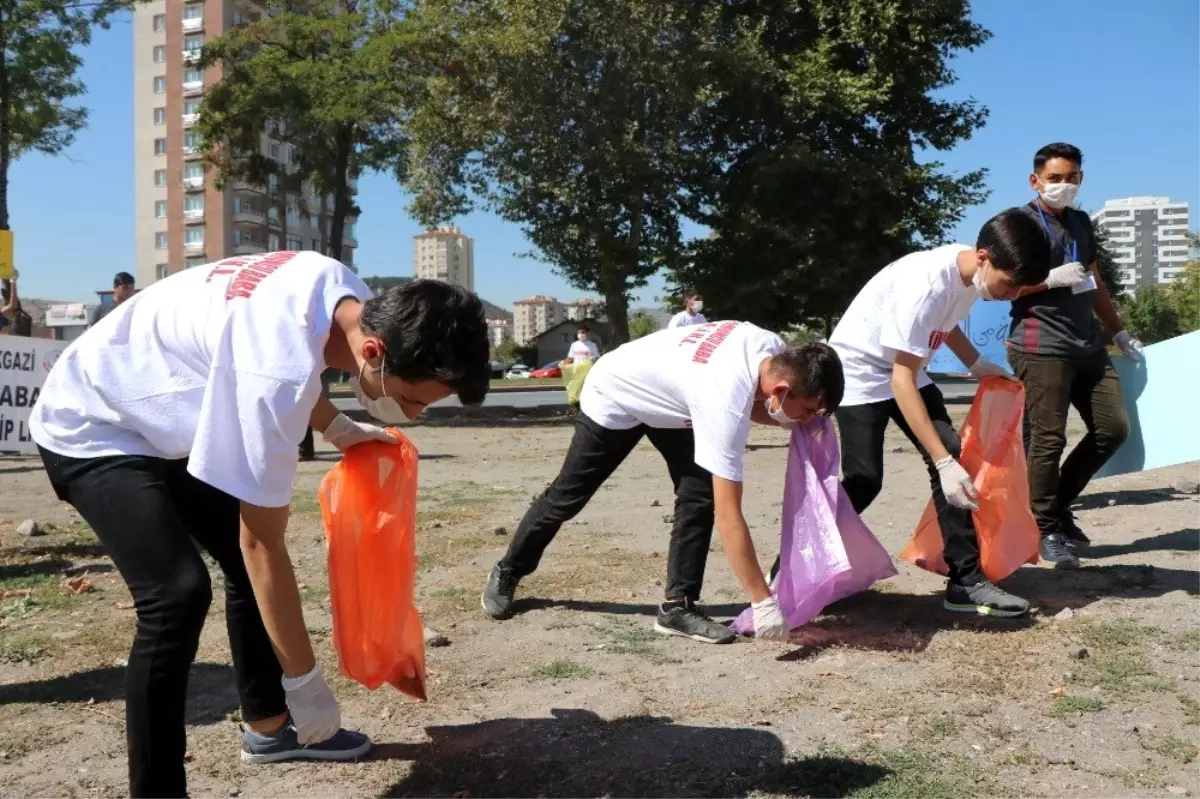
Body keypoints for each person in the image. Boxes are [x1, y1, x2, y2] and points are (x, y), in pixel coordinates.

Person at [29, 251, 491, 799]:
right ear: (374, 351)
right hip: (93, 419)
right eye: (413, 400)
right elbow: (262, 541)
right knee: (175, 594)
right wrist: (308, 684)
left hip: (169, 414)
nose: (413, 416)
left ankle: (268, 729)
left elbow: (301, 365)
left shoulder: (343, 291)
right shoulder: (273, 371)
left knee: (241, 569)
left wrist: (338, 426)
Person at [481, 320, 845, 644]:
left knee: (697, 494)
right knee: (568, 495)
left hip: (674, 401)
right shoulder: (723, 399)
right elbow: (729, 515)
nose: (808, 420)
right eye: (810, 411)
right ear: (781, 390)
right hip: (616, 394)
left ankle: (677, 608)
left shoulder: (767, 345)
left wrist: (798, 422)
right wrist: (762, 601)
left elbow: (756, 403)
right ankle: (508, 569)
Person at [826, 208, 1080, 618]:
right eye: (1010, 285)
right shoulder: (925, 287)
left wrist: (977, 363)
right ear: (983, 257)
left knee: (951, 448)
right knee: (866, 479)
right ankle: (796, 562)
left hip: (904, 365)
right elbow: (900, 381)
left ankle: (966, 581)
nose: (1011, 296)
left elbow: (948, 325)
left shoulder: (969, 277)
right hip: (859, 371)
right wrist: (942, 464)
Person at [1008, 143, 1135, 570]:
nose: (1064, 185)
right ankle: (1044, 529)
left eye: (1072, 177)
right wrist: (1047, 280)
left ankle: (1054, 506)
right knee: (1047, 439)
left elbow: (1094, 279)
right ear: (1035, 180)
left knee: (1113, 429)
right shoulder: (1016, 225)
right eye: (1056, 178)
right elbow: (998, 286)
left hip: (1088, 344)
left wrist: (1116, 329)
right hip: (1040, 344)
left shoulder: (1081, 223)